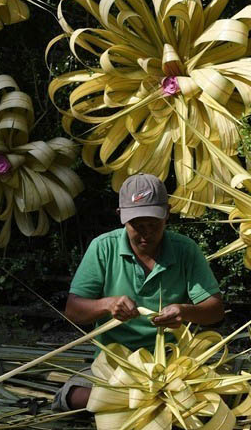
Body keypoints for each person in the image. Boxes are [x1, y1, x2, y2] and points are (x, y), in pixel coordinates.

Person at [52, 173, 224, 411]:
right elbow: (73, 311)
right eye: (137, 225)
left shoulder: (186, 250)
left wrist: (184, 311)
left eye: (153, 224)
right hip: (114, 366)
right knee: (73, 397)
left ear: (167, 214)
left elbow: (215, 310)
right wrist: (107, 305)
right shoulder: (103, 248)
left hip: (172, 366)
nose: (146, 233)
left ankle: (140, 404)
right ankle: (155, 404)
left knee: (221, 399)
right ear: (121, 216)